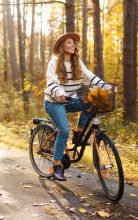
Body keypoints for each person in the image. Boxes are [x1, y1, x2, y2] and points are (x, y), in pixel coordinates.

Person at [44, 32, 111, 181]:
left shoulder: (77, 63)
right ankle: (57, 167)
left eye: (74, 43)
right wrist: (59, 92)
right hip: (54, 102)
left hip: (70, 100)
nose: (73, 45)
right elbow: (51, 82)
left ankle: (79, 135)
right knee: (64, 130)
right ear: (62, 47)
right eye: (69, 42)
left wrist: (104, 85)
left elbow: (89, 76)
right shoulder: (54, 62)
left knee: (91, 100)